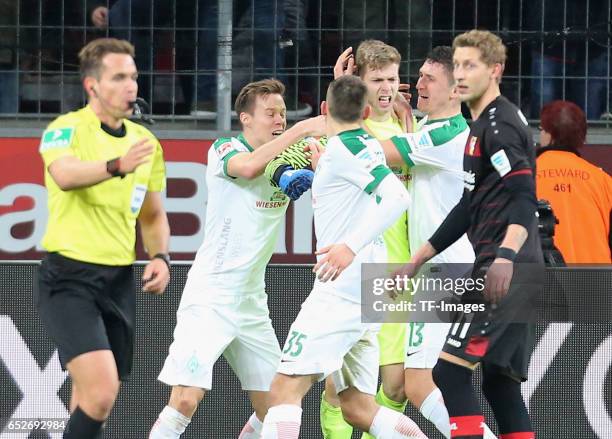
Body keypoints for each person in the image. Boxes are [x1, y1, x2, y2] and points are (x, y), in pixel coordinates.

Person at [148, 79, 325, 439]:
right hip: (211, 296)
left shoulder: (289, 157)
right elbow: (246, 168)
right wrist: (303, 128)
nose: (279, 119)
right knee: (185, 400)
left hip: (251, 303)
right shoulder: (225, 148)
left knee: (276, 407)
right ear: (245, 118)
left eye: (283, 113)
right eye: (270, 113)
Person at [261, 75, 426, 439]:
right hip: (366, 290)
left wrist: (349, 246)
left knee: (283, 390)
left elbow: (397, 197)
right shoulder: (363, 145)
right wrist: (324, 168)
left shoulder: (343, 151)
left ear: (323, 111)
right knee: (358, 409)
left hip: (341, 290)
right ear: (366, 112)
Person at [404, 30, 544, 439]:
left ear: (495, 70)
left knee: (447, 373)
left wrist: (504, 257)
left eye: (471, 66)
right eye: (459, 66)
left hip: (503, 270)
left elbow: (523, 196)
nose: (461, 75)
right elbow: (468, 207)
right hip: (515, 268)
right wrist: (418, 258)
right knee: (498, 383)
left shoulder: (498, 128)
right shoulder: (482, 126)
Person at [35, 38, 171, 439]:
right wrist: (116, 165)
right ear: (92, 86)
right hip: (69, 279)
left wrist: (161, 255)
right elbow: (65, 175)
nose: (131, 86)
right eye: (118, 77)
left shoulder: (145, 146)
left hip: (118, 280)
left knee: (91, 401)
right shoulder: (65, 129)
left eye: (133, 76)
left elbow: (153, 215)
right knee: (101, 393)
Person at [377, 46, 496, 439]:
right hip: (450, 268)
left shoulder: (446, 135)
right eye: (420, 74)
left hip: (446, 271)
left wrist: (350, 105)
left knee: (420, 383)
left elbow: (378, 154)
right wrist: (393, 104)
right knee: (429, 381)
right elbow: (415, 141)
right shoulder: (435, 131)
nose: (418, 83)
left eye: (430, 78)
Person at [536, 100, 612, 263]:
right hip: (596, 282)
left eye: (541, 129)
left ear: (549, 134)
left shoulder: (524, 176)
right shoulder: (603, 181)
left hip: (543, 281)